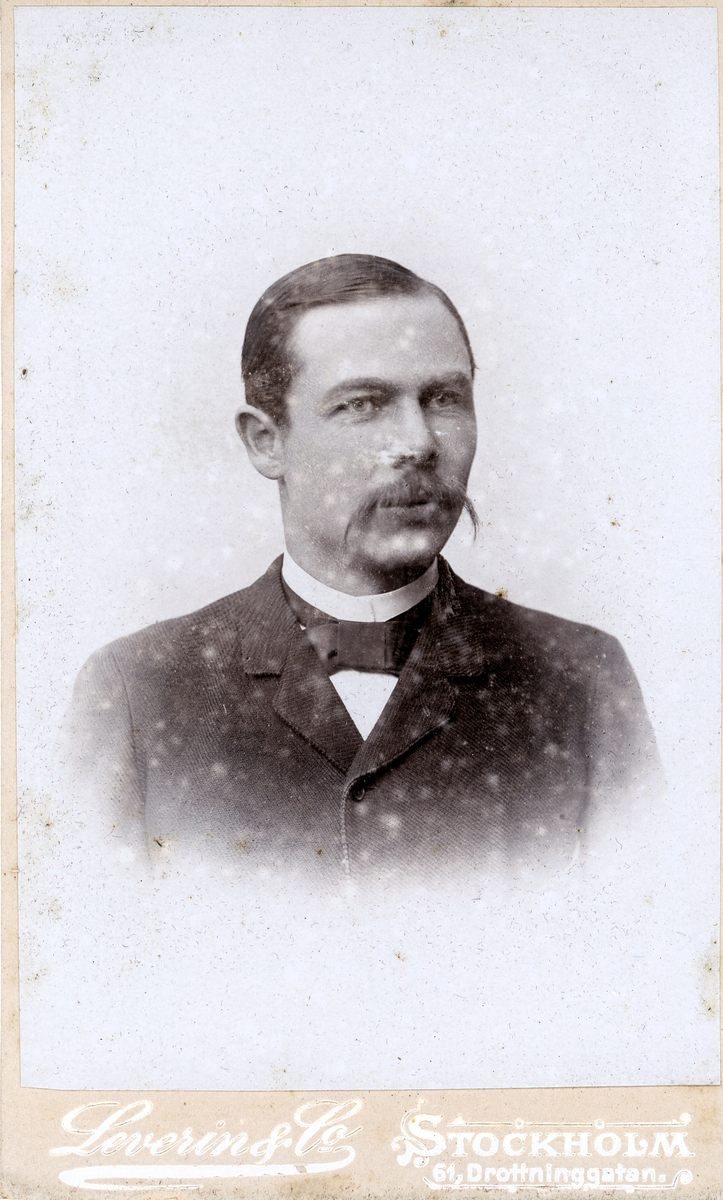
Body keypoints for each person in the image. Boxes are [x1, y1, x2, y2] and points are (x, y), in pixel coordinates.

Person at [62, 254, 662, 892]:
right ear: (266, 441)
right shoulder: (139, 689)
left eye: (444, 398)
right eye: (362, 404)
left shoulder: (581, 678)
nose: (419, 443)